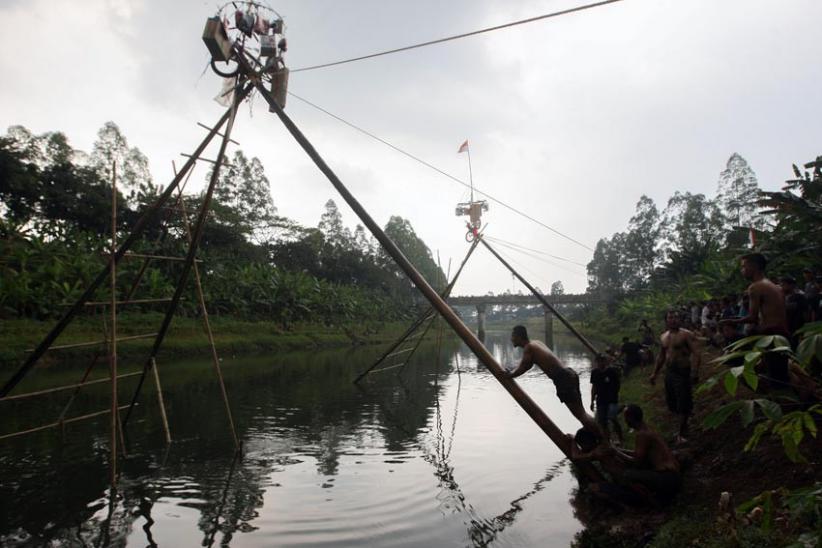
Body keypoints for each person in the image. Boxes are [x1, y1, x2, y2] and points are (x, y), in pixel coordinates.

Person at [505, 325, 603, 437]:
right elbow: (526, 364)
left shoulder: (529, 347)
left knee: (580, 415)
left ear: (518, 336)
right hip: (569, 373)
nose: (511, 339)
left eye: (512, 336)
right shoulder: (536, 343)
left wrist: (510, 376)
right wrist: (512, 373)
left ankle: (603, 443)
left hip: (563, 378)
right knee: (582, 413)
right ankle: (600, 440)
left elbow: (524, 367)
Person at [721, 253, 789, 387]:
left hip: (771, 338)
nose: (742, 270)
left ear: (754, 266)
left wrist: (730, 322)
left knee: (775, 380)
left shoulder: (755, 287)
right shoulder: (774, 286)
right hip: (782, 336)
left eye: (743, 267)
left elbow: (752, 318)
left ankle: (785, 404)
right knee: (780, 375)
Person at [650, 310, 700, 443]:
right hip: (670, 372)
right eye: (671, 317)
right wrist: (654, 373)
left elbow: (696, 353)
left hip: (683, 371)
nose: (674, 320)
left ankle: (682, 432)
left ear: (680, 319)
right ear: (666, 320)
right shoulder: (664, 336)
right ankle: (684, 425)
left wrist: (694, 372)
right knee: (672, 402)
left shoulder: (686, 334)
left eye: (676, 317)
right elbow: (661, 356)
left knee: (684, 402)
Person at [619, 405, 682, 504]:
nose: (625, 421)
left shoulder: (642, 435)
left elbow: (636, 462)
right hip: (675, 476)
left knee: (627, 475)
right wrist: (619, 450)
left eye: (625, 418)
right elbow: (638, 453)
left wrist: (615, 452)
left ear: (630, 418)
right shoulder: (647, 429)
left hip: (667, 479)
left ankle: (653, 502)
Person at [590, 354, 623, 443]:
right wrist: (592, 401)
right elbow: (594, 387)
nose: (600, 363)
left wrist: (614, 394)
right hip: (600, 399)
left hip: (612, 399)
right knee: (602, 421)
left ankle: (619, 437)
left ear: (605, 361)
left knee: (612, 418)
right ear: (596, 362)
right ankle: (607, 440)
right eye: (598, 361)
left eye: (602, 361)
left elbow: (618, 384)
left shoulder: (612, 371)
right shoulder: (594, 373)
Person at [781, 276, 809, 348]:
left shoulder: (799, 296)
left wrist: (805, 327)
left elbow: (805, 311)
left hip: (796, 326)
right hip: (785, 325)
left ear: (791, 285)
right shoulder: (781, 296)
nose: (782, 286)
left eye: (784, 284)